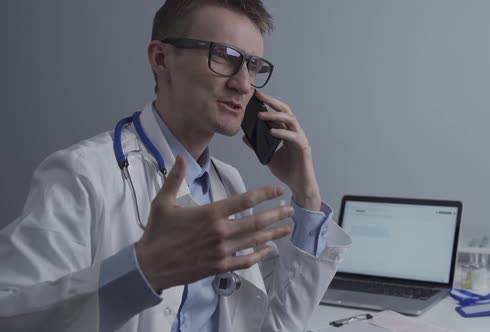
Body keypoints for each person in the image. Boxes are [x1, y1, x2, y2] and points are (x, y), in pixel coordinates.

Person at [0, 1, 351, 331]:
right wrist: (142, 272)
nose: (243, 84)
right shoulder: (83, 175)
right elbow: (9, 314)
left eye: (254, 66)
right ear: (161, 58)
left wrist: (306, 195)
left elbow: (274, 323)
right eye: (225, 57)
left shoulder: (228, 184)